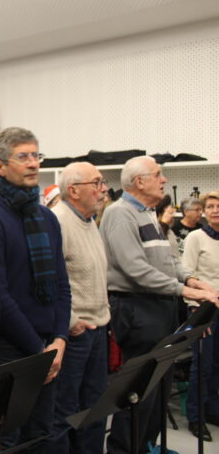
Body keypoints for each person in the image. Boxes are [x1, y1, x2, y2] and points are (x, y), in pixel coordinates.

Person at [100, 155, 219, 453]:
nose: (164, 180)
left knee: (159, 389)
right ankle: (125, 449)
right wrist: (184, 290)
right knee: (139, 392)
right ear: (139, 181)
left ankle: (146, 446)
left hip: (159, 307)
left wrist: (192, 280)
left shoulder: (148, 213)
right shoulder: (120, 213)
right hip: (138, 309)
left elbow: (169, 260)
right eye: (158, 174)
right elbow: (135, 269)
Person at [0, 127, 71, 454]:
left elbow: (62, 283)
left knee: (41, 434)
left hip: (48, 346)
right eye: (23, 157)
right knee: (6, 439)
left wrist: (59, 339)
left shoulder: (46, 217)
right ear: (0, 166)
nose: (33, 163)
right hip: (11, 349)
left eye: (36, 155)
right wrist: (38, 350)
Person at [49, 162, 110, 453]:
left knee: (94, 409)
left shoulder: (88, 221)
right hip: (75, 334)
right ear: (73, 190)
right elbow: (49, 281)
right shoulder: (58, 221)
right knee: (63, 414)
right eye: (96, 183)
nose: (103, 189)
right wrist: (71, 322)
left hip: (97, 329)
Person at [182, 190, 219, 440]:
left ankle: (212, 410)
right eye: (211, 206)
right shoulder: (196, 237)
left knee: (216, 365)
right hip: (204, 310)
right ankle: (196, 417)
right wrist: (196, 312)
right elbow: (187, 273)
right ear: (203, 211)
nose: (215, 210)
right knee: (202, 365)